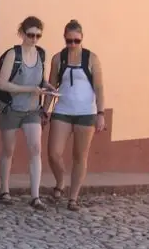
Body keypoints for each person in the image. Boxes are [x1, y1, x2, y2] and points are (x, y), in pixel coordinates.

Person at [44, 19, 105, 212]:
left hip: (86, 112)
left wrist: (101, 113)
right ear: (64, 38)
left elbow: (99, 87)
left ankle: (73, 197)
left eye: (76, 41)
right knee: (54, 153)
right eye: (69, 40)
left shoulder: (91, 58)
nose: (72, 45)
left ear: (82, 39)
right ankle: (61, 181)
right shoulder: (58, 59)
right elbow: (52, 87)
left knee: (80, 156)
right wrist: (45, 110)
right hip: (63, 109)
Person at [0, 16, 55, 210]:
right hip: (11, 108)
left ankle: (35, 196)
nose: (34, 39)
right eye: (30, 35)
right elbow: (2, 84)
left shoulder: (41, 55)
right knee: (8, 150)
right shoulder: (14, 54)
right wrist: (29, 89)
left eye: (38, 35)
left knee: (36, 148)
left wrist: (47, 87)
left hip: (32, 110)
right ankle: (4, 190)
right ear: (22, 33)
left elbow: (40, 80)